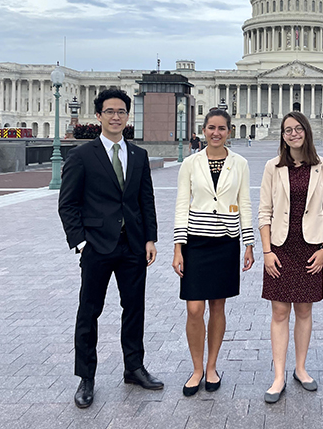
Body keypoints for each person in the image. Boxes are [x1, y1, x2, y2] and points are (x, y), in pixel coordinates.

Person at [59, 88, 163, 409]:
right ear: (99, 116)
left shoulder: (138, 155)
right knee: (90, 312)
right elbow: (68, 204)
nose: (116, 117)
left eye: (121, 112)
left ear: (127, 117)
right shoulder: (81, 156)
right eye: (110, 111)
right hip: (97, 246)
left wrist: (149, 238)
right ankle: (86, 377)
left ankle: (133, 367)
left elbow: (146, 199)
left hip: (132, 244)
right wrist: (80, 242)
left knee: (134, 309)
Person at [172, 109, 254, 396]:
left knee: (218, 306)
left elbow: (245, 203)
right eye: (211, 128)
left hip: (225, 242)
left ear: (229, 131)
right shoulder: (190, 163)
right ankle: (196, 368)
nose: (216, 132)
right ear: (203, 130)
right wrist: (177, 246)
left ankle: (211, 366)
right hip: (196, 242)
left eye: (221, 128)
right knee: (194, 308)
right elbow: (182, 203)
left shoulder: (240, 163)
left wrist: (249, 243)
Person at [258, 111, 323, 403]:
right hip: (279, 247)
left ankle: (301, 369)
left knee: (304, 311)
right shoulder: (272, 167)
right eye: (287, 130)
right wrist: (266, 251)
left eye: (297, 128)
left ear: (307, 131)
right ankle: (279, 375)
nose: (292, 134)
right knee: (279, 313)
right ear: (282, 134)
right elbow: (264, 212)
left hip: (309, 248)